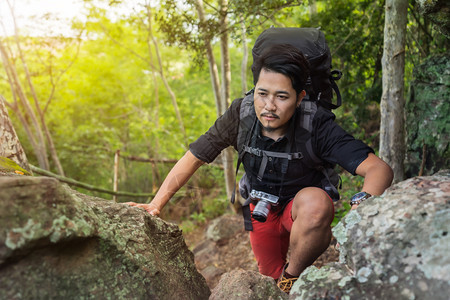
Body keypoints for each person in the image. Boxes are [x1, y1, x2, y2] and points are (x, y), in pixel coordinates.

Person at [126, 43, 393, 293]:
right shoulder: (241, 115)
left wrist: (362, 204)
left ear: (300, 98)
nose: (269, 106)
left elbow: (378, 170)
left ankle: (293, 279)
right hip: (259, 206)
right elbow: (196, 155)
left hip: (300, 209)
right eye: (262, 93)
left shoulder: (315, 125)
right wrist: (156, 204)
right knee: (267, 276)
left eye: (281, 97)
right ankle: (280, 286)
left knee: (314, 209)